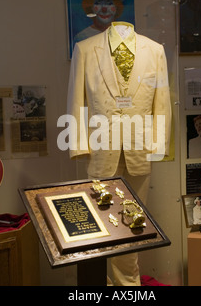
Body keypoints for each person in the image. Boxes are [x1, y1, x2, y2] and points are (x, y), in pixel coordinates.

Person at [67, 21, 171, 286]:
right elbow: (76, 100)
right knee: (100, 226)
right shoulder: (85, 49)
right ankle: (100, 284)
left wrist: (159, 145)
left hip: (139, 152)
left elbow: (162, 102)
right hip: (101, 153)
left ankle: (128, 284)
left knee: (134, 225)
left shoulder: (155, 51)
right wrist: (78, 145)